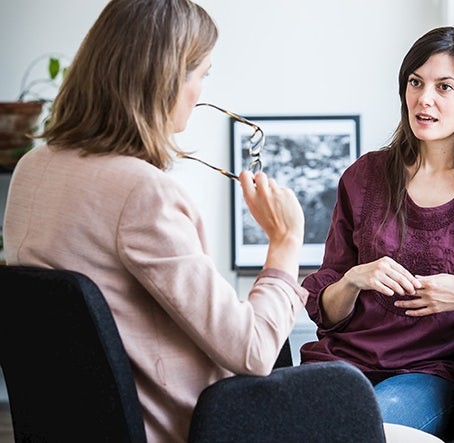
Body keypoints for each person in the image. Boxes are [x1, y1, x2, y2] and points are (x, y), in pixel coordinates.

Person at [3, 1, 307, 441]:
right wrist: (286, 241)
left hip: (78, 429)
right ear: (165, 78)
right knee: (340, 388)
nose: (201, 92)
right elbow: (253, 351)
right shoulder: (144, 193)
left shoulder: (31, 170)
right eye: (201, 74)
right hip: (193, 428)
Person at [300, 26, 454, 440]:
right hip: (344, 362)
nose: (424, 99)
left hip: (431, 373)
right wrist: (353, 279)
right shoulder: (365, 176)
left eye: (445, 87)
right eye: (415, 82)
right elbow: (326, 311)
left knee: (361, 430)